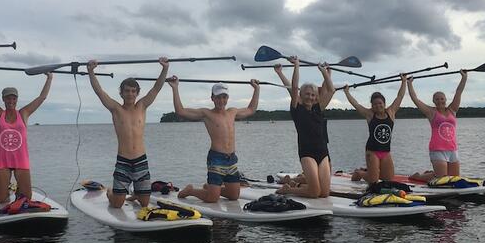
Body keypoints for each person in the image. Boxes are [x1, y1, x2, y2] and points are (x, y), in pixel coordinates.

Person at [87, 58, 169, 208]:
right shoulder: (116, 109)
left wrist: (165, 68)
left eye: (133, 91)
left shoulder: (142, 106)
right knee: (117, 204)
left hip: (141, 161)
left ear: (137, 93)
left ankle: (136, 194)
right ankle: (109, 192)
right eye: (127, 91)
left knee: (144, 203)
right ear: (121, 93)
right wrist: (91, 72)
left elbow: (156, 88)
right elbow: (99, 92)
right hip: (123, 162)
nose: (130, 94)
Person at [169, 78, 260, 203]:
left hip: (232, 159)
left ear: (227, 98)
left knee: (234, 196)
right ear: (212, 98)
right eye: (218, 97)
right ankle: (191, 190)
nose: (221, 100)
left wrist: (257, 89)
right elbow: (181, 111)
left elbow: (251, 110)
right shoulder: (206, 114)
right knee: (213, 199)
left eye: (224, 97)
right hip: (216, 159)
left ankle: (211, 189)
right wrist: (175, 88)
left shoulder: (232, 112)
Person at [0, 65, 53, 205]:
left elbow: (42, 97)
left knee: (26, 197)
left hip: (20, 159)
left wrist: (49, 78)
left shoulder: (23, 113)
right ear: (3, 99)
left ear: (17, 99)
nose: (11, 101)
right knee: (1, 199)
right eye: (8, 99)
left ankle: (18, 191)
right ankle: (5, 190)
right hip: (2, 160)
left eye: (13, 98)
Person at [273, 57, 335, 198]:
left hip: (323, 153)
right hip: (307, 154)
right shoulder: (297, 110)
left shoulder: (319, 109)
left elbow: (331, 90)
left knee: (324, 193)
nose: (310, 97)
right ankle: (287, 189)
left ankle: (297, 183)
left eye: (313, 95)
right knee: (314, 193)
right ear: (301, 95)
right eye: (307, 94)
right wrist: (296, 66)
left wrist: (323, 72)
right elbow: (293, 87)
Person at [342, 75, 407, 183]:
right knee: (373, 180)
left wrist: (403, 81)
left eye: (380, 103)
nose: (378, 106)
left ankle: (368, 171)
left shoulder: (391, 112)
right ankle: (360, 173)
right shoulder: (369, 114)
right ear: (372, 105)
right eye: (375, 104)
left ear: (384, 103)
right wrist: (347, 92)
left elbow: (399, 97)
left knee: (388, 180)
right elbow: (356, 104)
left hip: (386, 151)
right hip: (372, 151)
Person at [407, 71, 468, 180]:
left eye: (442, 98)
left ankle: (431, 173)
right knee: (442, 179)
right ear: (433, 101)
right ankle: (419, 177)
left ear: (445, 100)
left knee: (454, 179)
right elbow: (415, 99)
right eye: (437, 99)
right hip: (437, 149)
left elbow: (458, 92)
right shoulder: (431, 112)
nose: (440, 101)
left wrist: (464, 77)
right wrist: (409, 84)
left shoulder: (452, 110)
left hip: (452, 149)